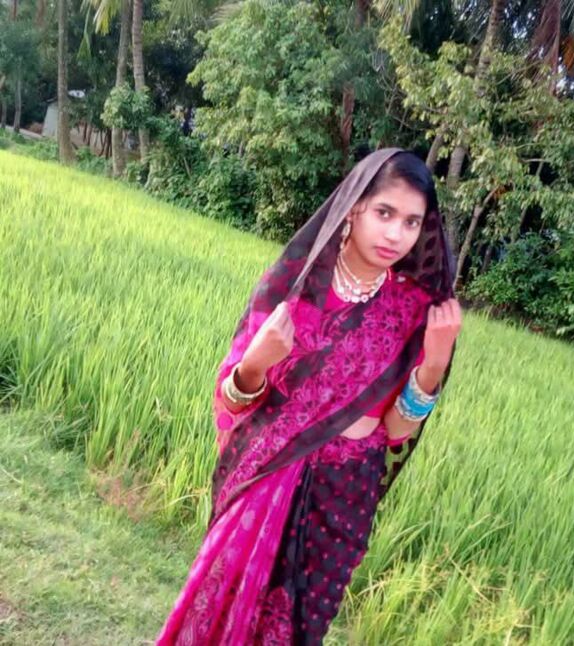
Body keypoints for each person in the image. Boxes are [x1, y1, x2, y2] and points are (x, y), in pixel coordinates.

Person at [156, 147, 462, 645]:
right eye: (385, 213)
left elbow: (396, 431)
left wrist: (433, 366)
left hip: (345, 494)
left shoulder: (413, 310)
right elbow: (233, 400)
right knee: (222, 606)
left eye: (411, 222)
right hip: (268, 475)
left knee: (297, 630)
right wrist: (257, 362)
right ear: (355, 206)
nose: (395, 234)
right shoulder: (295, 286)